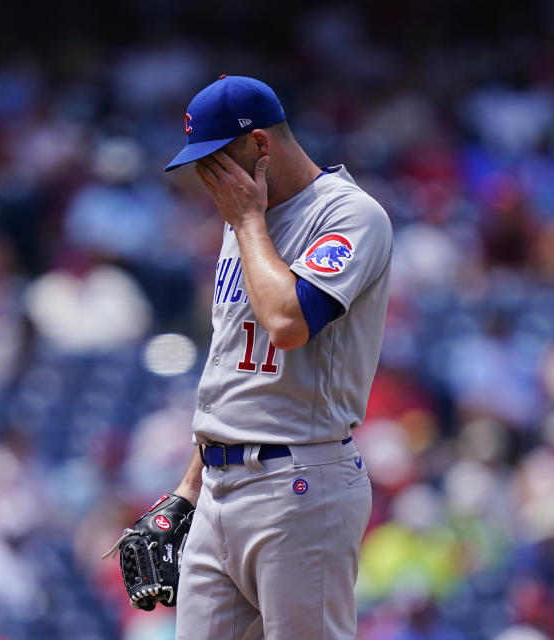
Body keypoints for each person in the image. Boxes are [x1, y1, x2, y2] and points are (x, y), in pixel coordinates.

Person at [163, 75, 393, 639]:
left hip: (299, 480)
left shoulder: (350, 216)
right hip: (220, 486)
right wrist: (189, 487)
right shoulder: (243, 221)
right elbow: (227, 367)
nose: (205, 177)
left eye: (216, 160)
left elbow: (289, 323)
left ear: (259, 146)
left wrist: (246, 221)